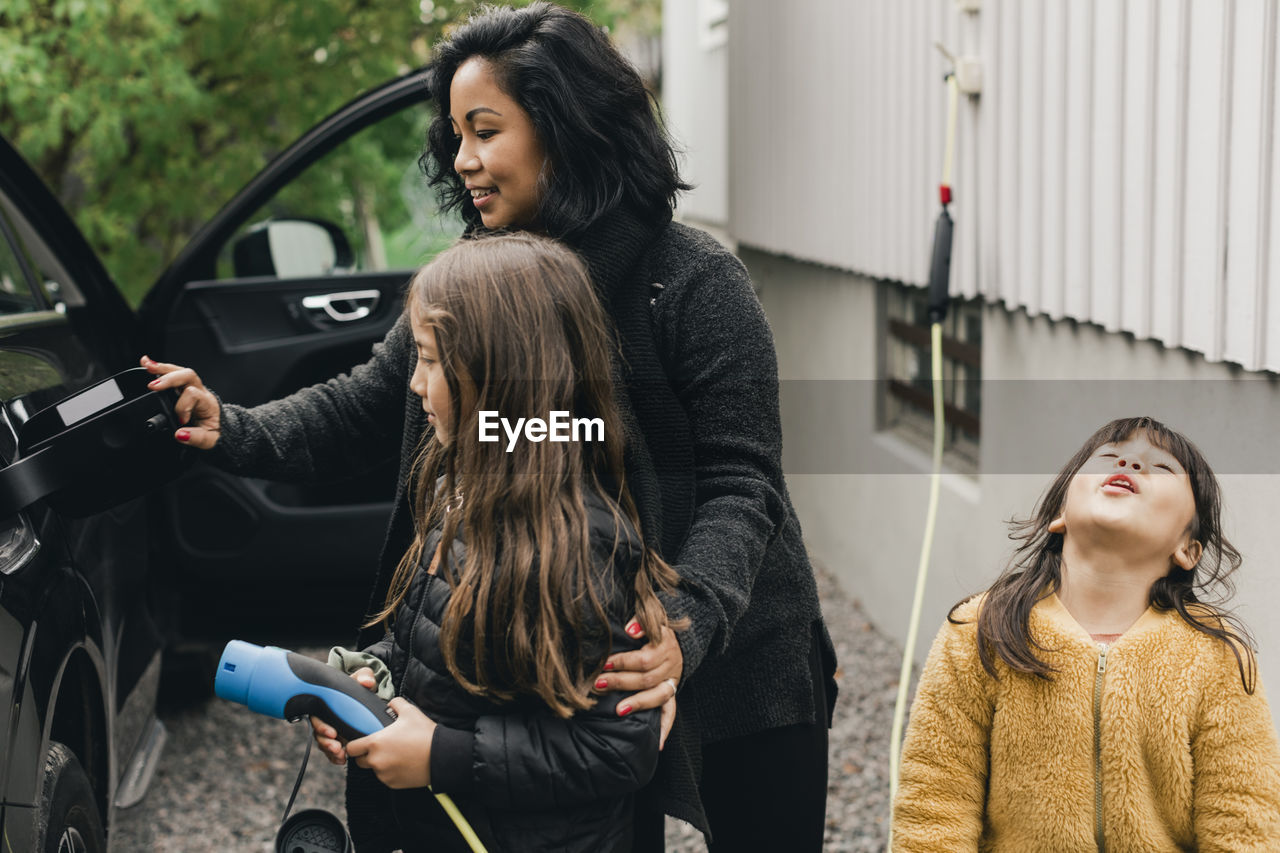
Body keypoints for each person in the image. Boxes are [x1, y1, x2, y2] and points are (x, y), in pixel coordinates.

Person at [143, 3, 836, 848]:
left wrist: (682, 625)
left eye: (485, 130)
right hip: (575, 653)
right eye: (455, 136)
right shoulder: (475, 282)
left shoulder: (695, 285)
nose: (462, 159)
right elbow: (368, 402)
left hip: (728, 644)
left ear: (564, 127)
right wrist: (235, 427)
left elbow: (742, 482)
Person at [303, 232, 679, 852]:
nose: (415, 386)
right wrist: (370, 688)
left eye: (429, 361)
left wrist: (443, 756)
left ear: (497, 374)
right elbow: (439, 660)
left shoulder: (578, 544)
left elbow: (616, 751)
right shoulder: (457, 490)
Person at [891, 416, 1280, 851]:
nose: (1130, 464)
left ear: (1187, 549)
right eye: (1111, 457)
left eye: (1163, 468)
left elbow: (1245, 823)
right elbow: (935, 800)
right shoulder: (984, 628)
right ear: (1059, 514)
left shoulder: (1216, 654)